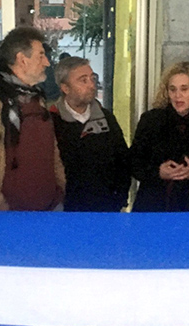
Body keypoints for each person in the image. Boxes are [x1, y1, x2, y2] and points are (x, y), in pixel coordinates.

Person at [0, 26, 65, 211]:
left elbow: (52, 154)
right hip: (4, 223)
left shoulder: (38, 100)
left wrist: (60, 195)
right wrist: (0, 209)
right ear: (22, 60)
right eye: (41, 55)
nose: (47, 63)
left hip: (48, 213)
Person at [130, 62, 189, 212]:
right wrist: (158, 172)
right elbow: (133, 162)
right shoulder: (150, 120)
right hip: (153, 207)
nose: (178, 95)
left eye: (184, 89)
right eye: (172, 89)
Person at [50, 57, 131, 212]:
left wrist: (119, 199)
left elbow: (123, 161)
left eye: (92, 78)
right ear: (65, 88)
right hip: (66, 212)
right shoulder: (51, 120)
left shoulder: (106, 118)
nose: (91, 85)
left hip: (106, 211)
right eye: (83, 80)